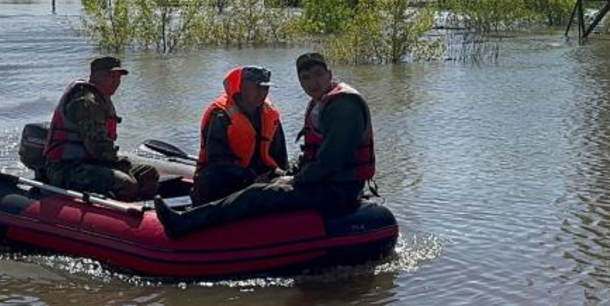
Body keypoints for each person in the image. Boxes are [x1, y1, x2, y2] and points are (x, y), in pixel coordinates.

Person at [155, 52, 374, 237]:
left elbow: (330, 161)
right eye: (306, 78)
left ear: (329, 75)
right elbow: (314, 158)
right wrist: (288, 174)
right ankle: (200, 218)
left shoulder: (343, 106)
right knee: (259, 188)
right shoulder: (323, 104)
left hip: (338, 190)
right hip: (328, 184)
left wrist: (294, 179)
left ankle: (182, 224)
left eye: (318, 75)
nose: (312, 83)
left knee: (257, 194)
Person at [43, 56, 160, 201]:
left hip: (92, 163)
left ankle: (149, 211)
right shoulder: (85, 101)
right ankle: (123, 216)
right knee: (125, 183)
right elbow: (99, 148)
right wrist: (120, 164)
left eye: (118, 77)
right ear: (93, 76)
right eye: (109, 76)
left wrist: (119, 163)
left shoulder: (102, 98)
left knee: (147, 173)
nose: (115, 81)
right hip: (65, 167)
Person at [193, 65, 288, 203]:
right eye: (257, 87)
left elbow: (280, 157)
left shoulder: (270, 115)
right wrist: (251, 179)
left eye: (266, 88)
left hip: (260, 179)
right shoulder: (220, 116)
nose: (262, 93)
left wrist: (282, 175)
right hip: (224, 181)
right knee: (213, 177)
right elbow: (218, 163)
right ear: (241, 87)